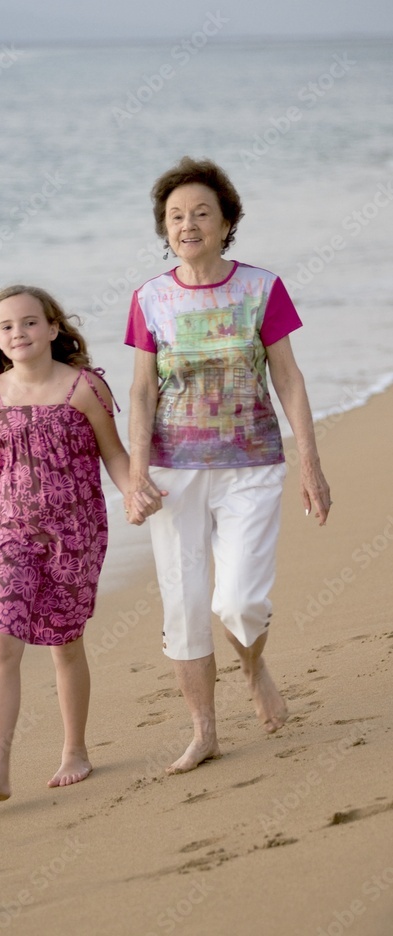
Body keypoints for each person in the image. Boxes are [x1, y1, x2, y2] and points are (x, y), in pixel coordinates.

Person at [124, 156, 331, 774]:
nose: (187, 224)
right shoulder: (149, 298)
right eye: (175, 216)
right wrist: (136, 474)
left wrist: (310, 464)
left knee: (238, 600)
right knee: (184, 605)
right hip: (173, 471)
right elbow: (140, 392)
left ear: (226, 221)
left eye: (201, 213)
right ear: (164, 228)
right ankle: (204, 731)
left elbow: (288, 377)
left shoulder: (261, 288)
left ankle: (253, 664)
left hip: (252, 463)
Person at [0, 284, 154, 805]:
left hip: (75, 534)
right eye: (6, 327)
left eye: (28, 322)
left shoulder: (84, 388)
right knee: (3, 642)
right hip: (11, 533)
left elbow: (113, 454)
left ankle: (75, 750)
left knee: (65, 644)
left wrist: (134, 491)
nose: (17, 333)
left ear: (53, 328)